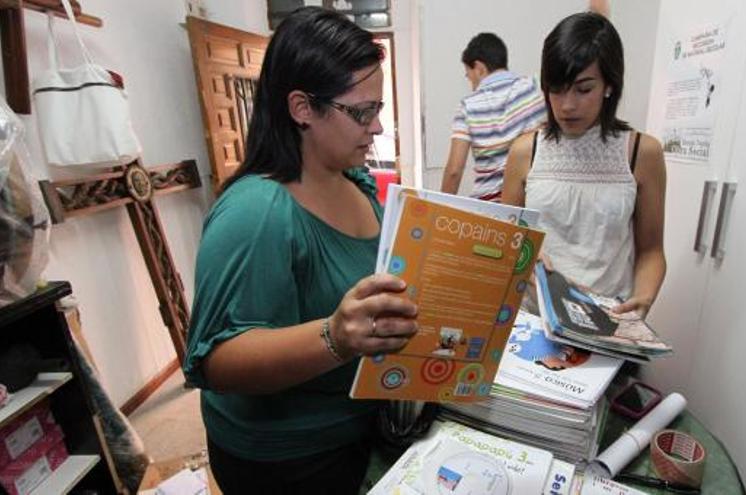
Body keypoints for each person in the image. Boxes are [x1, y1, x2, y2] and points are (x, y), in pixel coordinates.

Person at [183, 7, 419, 493]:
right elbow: (216, 361)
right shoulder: (257, 211)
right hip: (290, 459)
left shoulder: (353, 182)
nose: (376, 128)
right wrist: (335, 336)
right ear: (301, 108)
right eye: (362, 112)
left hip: (360, 427)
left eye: (378, 109)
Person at [502, 12, 666, 318]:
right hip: (536, 318)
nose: (567, 105)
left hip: (608, 318)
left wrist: (642, 300)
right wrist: (525, 253)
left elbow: (651, 251)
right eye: (556, 88)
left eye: (583, 88)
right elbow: (509, 238)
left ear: (609, 85)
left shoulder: (642, 153)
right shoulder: (526, 151)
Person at [440, 33, 546, 202]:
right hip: (529, 201)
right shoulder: (533, 88)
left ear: (479, 67)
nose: (472, 83)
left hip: (490, 209)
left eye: (469, 75)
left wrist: (440, 208)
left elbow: (454, 170)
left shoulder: (468, 106)